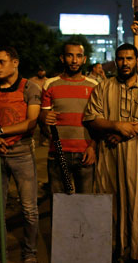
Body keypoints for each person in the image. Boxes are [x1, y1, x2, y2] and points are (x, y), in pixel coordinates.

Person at [84, 43, 138, 263]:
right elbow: (92, 118)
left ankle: (137, 253)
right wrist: (115, 125)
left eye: (129, 58)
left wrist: (128, 131)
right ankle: (110, 249)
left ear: (137, 60)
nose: (125, 63)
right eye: (121, 59)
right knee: (109, 200)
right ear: (115, 60)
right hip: (108, 155)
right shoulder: (103, 87)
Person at [0, 46, 42, 263]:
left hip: (22, 153)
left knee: (30, 211)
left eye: (1, 62)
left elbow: (30, 123)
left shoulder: (30, 88)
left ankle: (29, 254)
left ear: (15, 62)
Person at [40, 42, 97, 194]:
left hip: (85, 153)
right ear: (62, 58)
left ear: (84, 59)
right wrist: (44, 117)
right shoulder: (50, 84)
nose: (74, 60)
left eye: (78, 56)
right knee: (59, 206)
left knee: (84, 205)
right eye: (70, 55)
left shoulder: (94, 86)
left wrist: (93, 147)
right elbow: (43, 117)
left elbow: (98, 122)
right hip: (58, 153)